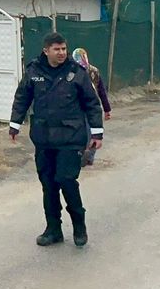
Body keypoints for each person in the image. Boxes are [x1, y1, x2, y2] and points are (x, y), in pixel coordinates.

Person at [9, 32, 104, 248]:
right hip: (44, 138)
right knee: (49, 184)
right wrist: (15, 124)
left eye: (63, 49)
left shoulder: (76, 72)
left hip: (71, 137)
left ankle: (79, 226)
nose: (61, 53)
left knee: (66, 180)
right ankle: (53, 229)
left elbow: (92, 103)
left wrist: (97, 133)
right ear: (46, 51)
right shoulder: (34, 71)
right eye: (57, 49)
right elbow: (22, 97)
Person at [71, 48, 112, 166]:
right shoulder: (94, 71)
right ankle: (89, 157)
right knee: (92, 131)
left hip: (77, 107)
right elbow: (102, 92)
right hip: (92, 107)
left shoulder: (71, 71)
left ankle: (82, 155)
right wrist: (107, 109)